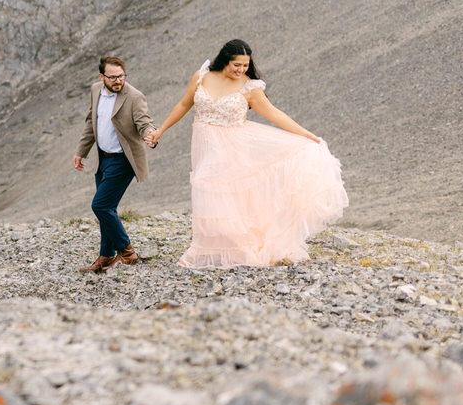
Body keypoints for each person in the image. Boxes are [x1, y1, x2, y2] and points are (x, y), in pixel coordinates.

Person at [145, 39, 347, 268]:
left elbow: (274, 114)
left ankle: (241, 250)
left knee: (229, 196)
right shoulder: (202, 76)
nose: (240, 70)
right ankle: (208, 250)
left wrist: (307, 135)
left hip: (234, 147)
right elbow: (183, 105)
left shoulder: (250, 87)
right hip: (204, 145)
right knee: (207, 191)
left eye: (245, 66)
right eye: (236, 65)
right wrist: (160, 130)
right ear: (224, 60)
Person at [72, 55, 155, 273]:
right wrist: (81, 151)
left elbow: (144, 121)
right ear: (102, 77)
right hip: (103, 159)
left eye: (121, 76)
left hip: (123, 160)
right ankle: (106, 256)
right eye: (113, 77)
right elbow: (92, 122)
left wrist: (149, 134)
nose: (118, 81)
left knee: (100, 205)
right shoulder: (95, 90)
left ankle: (127, 252)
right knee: (107, 209)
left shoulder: (134, 96)